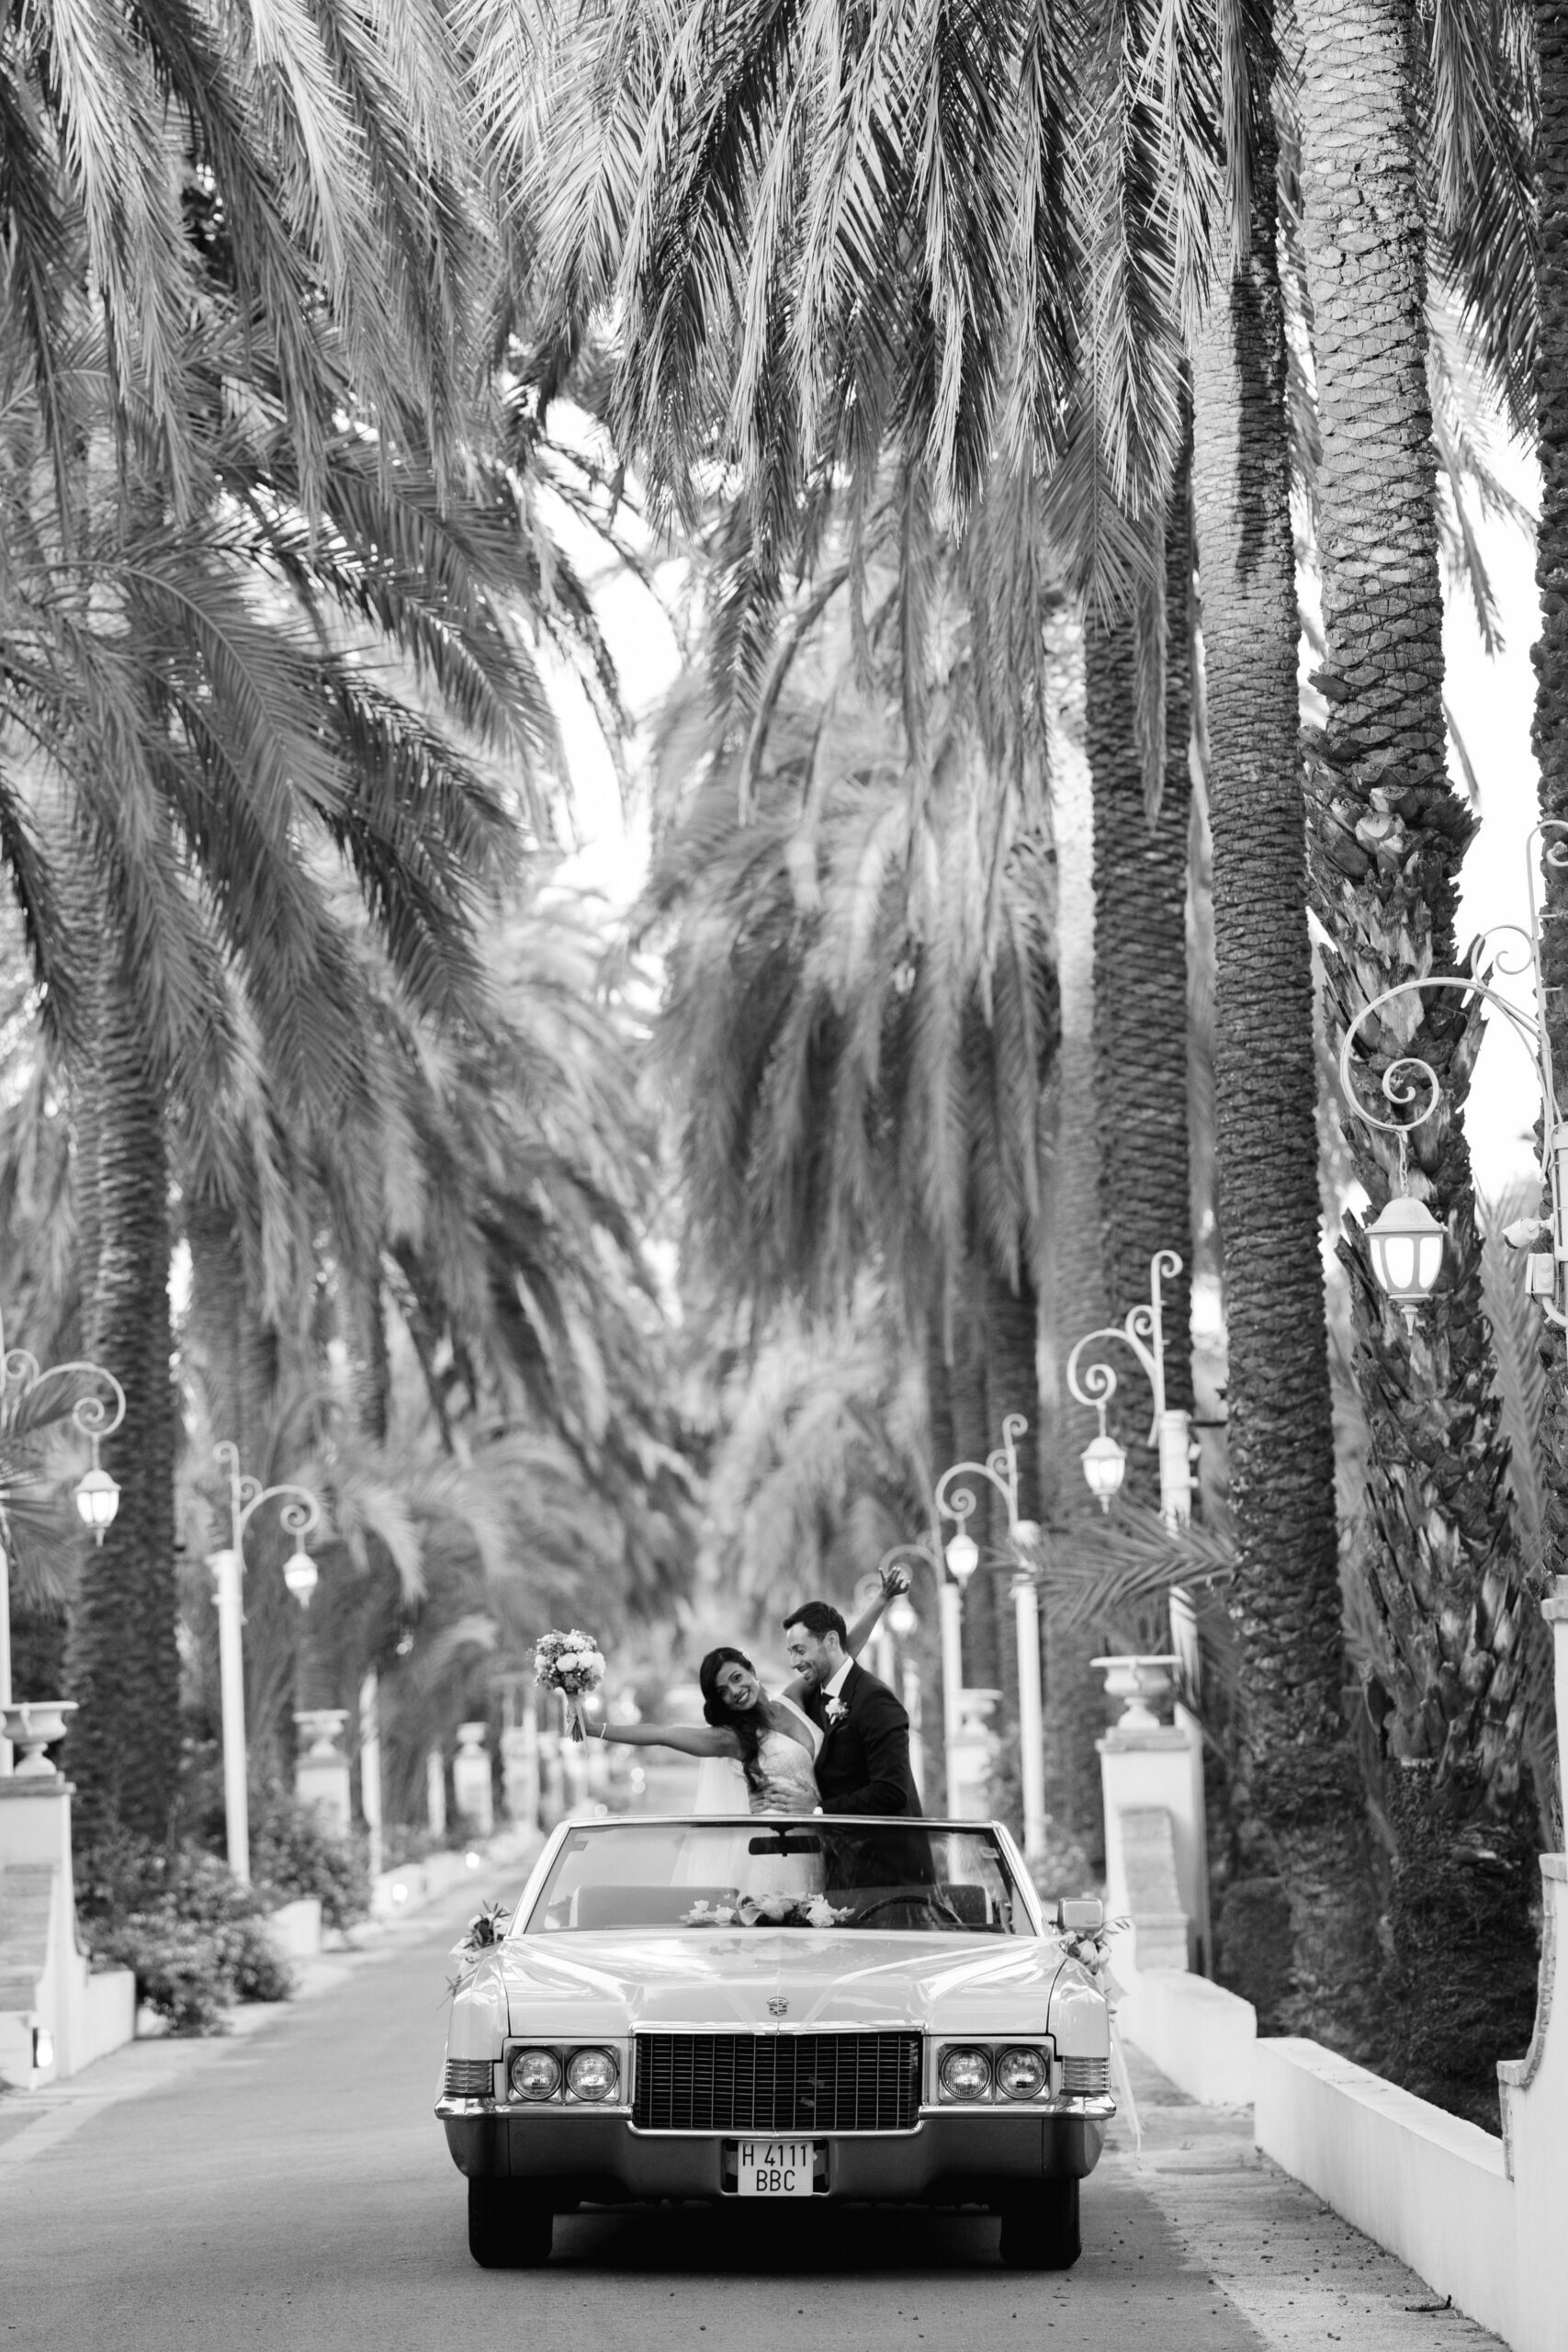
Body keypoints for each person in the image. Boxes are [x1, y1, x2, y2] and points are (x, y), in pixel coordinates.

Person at [595, 1568, 908, 1818]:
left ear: (752, 1672)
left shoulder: (793, 1698)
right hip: (776, 1841)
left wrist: (882, 1599)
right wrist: (596, 1729)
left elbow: (841, 1650)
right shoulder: (732, 1738)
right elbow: (661, 1734)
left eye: (736, 1677)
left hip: (822, 1834)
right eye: (723, 1691)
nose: (735, 1691)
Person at [782, 1598, 930, 1902]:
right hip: (843, 1873)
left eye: (800, 1650)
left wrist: (817, 1811)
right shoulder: (814, 1699)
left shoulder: (875, 1700)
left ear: (832, 1641)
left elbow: (891, 1791)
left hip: (891, 1880)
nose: (794, 1662)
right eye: (791, 1653)